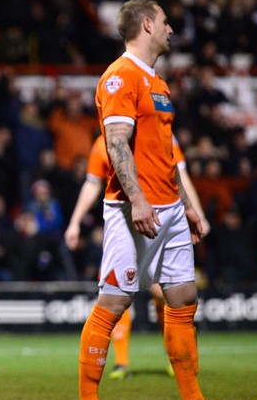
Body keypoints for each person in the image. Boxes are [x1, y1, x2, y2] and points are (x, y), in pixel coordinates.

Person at [74, 0, 243, 400]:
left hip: (169, 209)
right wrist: (137, 199)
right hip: (133, 211)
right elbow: (116, 144)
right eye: (166, 22)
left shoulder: (159, 84)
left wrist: (185, 202)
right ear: (147, 25)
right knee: (113, 302)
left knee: (184, 298)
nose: (171, 29)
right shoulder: (119, 77)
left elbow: (164, 152)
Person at [65, 134, 210, 380]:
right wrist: (75, 222)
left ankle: (178, 361)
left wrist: (195, 211)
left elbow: (179, 174)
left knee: (167, 294)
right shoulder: (105, 142)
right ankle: (120, 364)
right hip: (124, 222)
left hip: (162, 220)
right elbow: (92, 183)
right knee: (114, 296)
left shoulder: (162, 135)